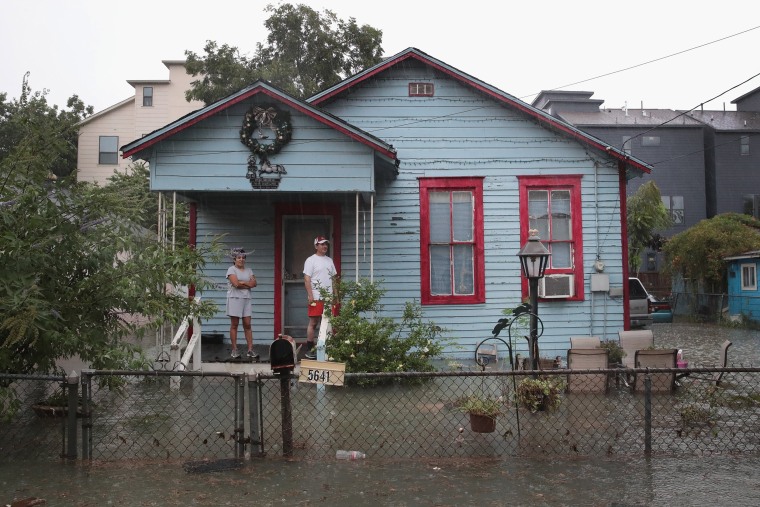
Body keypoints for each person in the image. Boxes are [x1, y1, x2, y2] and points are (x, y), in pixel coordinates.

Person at [303, 236, 337, 360]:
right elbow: (307, 279)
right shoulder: (310, 260)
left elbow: (334, 279)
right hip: (316, 297)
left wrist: (336, 295)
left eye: (326, 244)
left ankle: (328, 348)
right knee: (313, 322)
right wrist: (310, 295)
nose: (325, 246)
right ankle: (310, 348)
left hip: (329, 297)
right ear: (316, 246)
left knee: (330, 322)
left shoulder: (329, 260)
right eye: (322, 244)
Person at [226, 248, 258, 359]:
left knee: (247, 324)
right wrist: (247, 283)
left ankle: (250, 349)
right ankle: (234, 349)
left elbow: (255, 283)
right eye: (239, 257)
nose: (241, 259)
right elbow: (235, 284)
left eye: (243, 257)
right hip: (235, 298)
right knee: (234, 324)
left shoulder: (249, 270)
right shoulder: (231, 269)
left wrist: (243, 282)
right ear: (234, 259)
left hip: (246, 299)